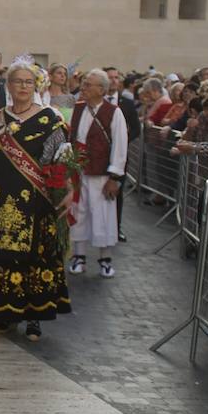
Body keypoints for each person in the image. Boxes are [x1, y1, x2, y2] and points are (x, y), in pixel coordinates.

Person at [0, 60, 72, 341]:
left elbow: (61, 159)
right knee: (3, 256)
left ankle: (34, 317)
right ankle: (5, 314)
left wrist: (66, 187)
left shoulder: (50, 119)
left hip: (37, 202)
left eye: (28, 82)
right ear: (9, 85)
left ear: (36, 86)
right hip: (2, 200)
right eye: (17, 81)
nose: (22, 86)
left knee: (35, 257)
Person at [67, 69, 127, 279]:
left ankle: (105, 259)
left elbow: (120, 146)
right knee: (78, 211)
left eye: (88, 85)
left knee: (102, 214)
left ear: (101, 89)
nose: (83, 88)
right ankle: (79, 256)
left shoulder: (113, 112)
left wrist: (115, 177)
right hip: (78, 171)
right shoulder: (78, 108)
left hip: (101, 173)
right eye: (83, 84)